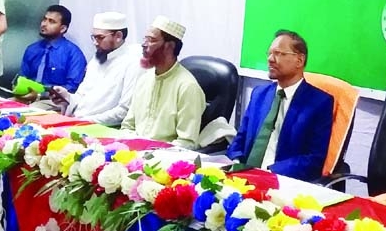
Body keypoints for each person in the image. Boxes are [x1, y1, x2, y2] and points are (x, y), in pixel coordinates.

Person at [227, 30, 333, 182]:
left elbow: (314, 159)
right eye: (269, 53)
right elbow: (241, 138)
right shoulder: (259, 94)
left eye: (278, 53)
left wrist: (268, 172)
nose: (270, 59)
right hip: (242, 177)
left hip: (280, 181)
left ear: (299, 60)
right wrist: (236, 162)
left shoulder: (319, 102)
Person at [120, 16, 205, 149]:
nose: (144, 44)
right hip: (134, 153)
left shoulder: (187, 87)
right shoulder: (144, 79)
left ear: (169, 46)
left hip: (164, 160)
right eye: (145, 39)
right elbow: (127, 126)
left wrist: (149, 153)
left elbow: (186, 142)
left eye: (152, 40)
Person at [51, 12, 140, 126]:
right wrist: (66, 97)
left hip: (102, 128)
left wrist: (86, 122)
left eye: (100, 37)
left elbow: (124, 111)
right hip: (79, 122)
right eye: (93, 37)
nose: (94, 42)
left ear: (118, 36)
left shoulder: (133, 62)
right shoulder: (97, 58)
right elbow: (82, 97)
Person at [18, 5, 87, 96]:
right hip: (27, 97)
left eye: (51, 22)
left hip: (54, 101)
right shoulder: (32, 49)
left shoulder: (73, 54)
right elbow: (22, 78)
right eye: (44, 19)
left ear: (63, 29)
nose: (44, 24)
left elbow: (72, 87)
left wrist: (41, 95)